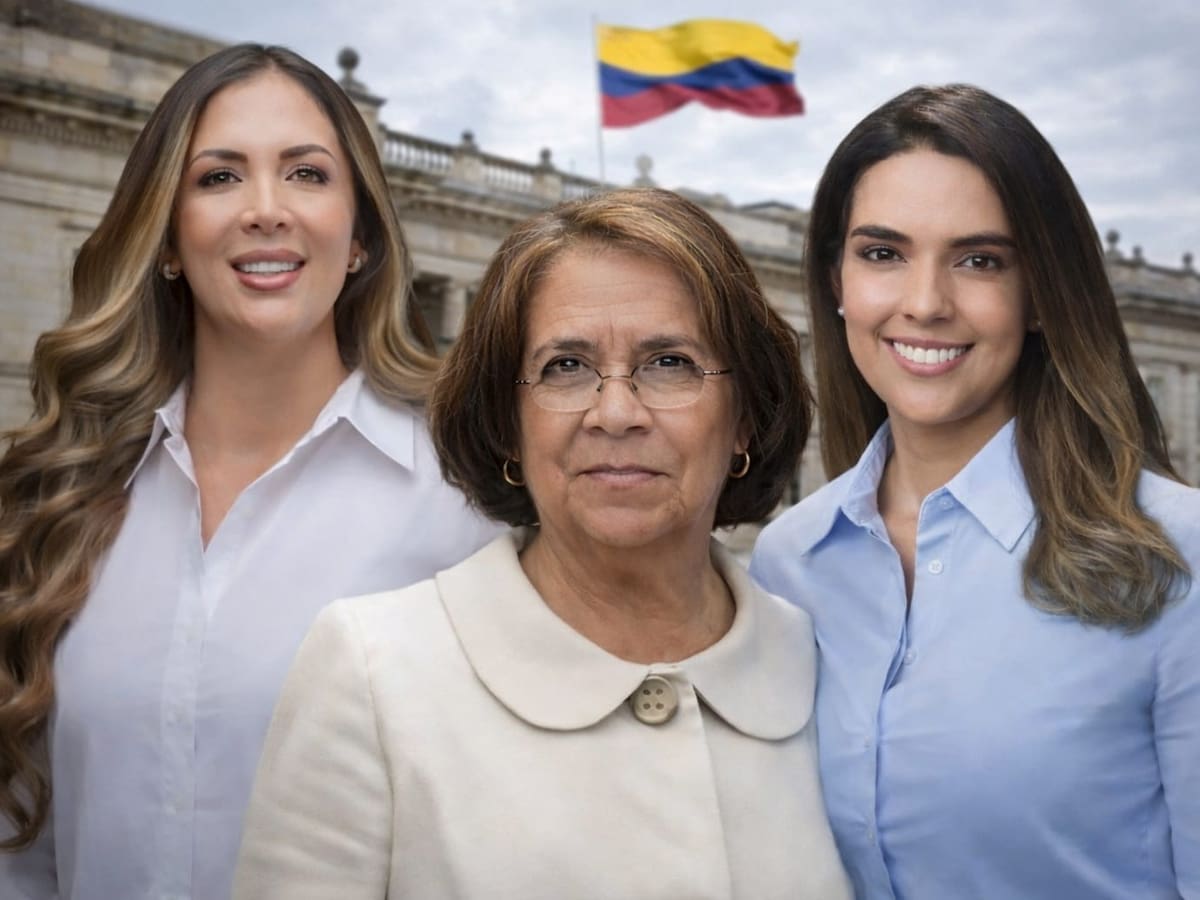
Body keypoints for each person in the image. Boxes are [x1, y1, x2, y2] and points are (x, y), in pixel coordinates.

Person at [232, 187, 852, 899]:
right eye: (566, 367)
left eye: (670, 362)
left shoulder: (821, 661)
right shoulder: (372, 673)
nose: (615, 413)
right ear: (509, 425)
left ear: (744, 418)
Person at [0, 44, 499, 900]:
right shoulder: (64, 491)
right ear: (165, 239)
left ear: (360, 240)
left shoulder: (467, 506)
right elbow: (23, 842)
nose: (266, 210)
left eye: (306, 174)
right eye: (218, 178)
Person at [750, 84, 1200, 899]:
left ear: (1040, 295)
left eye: (980, 260)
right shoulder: (788, 565)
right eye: (883, 253)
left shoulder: (1179, 558)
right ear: (838, 280)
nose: (925, 303)